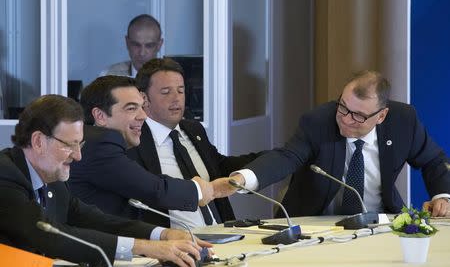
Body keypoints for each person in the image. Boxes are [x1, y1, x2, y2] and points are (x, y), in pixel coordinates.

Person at [0, 94, 211, 267]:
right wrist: (144, 247)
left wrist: (162, 235)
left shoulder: (51, 177)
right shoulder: (5, 175)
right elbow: (49, 235)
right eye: (69, 145)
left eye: (79, 145)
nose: (78, 156)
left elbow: (94, 220)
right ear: (38, 141)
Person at [229, 71, 450, 217]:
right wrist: (243, 179)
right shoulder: (318, 120)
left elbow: (433, 160)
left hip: (380, 220)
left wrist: (443, 196)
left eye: (357, 116)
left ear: (381, 116)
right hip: (318, 222)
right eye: (343, 106)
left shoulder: (403, 120)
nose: (345, 119)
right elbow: (288, 156)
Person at [68, 75, 232, 223]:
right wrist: (206, 190)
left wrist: (162, 237)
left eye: (142, 107)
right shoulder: (99, 144)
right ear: (100, 116)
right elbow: (154, 189)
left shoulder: (95, 140)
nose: (143, 116)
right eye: (131, 108)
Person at [126, 58, 261, 228]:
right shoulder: (133, 140)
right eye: (166, 92)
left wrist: (272, 159)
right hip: (174, 244)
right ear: (144, 98)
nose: (176, 99)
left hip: (223, 235)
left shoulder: (193, 129)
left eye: (180, 91)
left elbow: (220, 165)